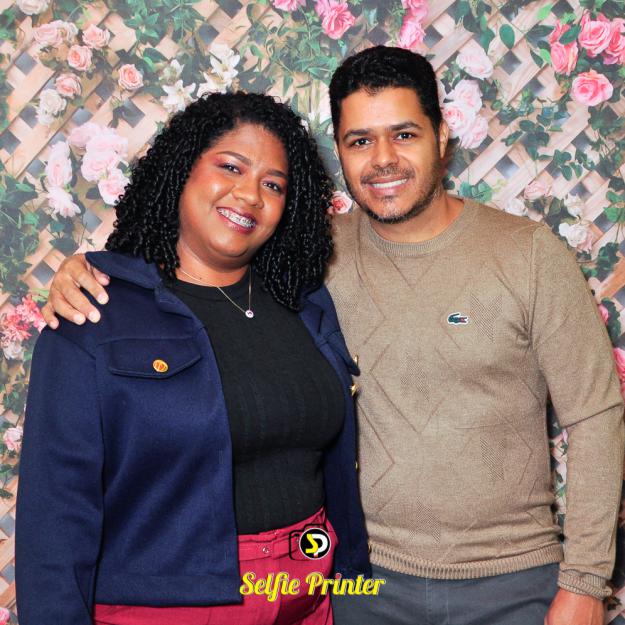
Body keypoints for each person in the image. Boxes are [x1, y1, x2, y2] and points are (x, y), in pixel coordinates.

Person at [42, 46, 625, 625]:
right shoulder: (315, 258)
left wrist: (585, 580)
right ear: (340, 152)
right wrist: (89, 270)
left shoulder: (527, 254)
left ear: (442, 136)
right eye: (360, 141)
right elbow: (196, 256)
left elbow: (595, 415)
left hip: (512, 582)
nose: (384, 160)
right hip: (359, 584)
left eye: (404, 135)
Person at [16, 91, 370, 625]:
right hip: (168, 608)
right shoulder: (95, 313)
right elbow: (54, 517)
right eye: (231, 167)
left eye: (273, 184)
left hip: (308, 598)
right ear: (182, 170)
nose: (250, 194)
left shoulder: (305, 307)